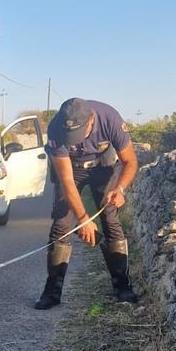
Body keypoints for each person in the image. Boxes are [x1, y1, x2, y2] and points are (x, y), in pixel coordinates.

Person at [34, 97, 140, 310]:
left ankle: (123, 287)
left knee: (109, 218)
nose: (73, 140)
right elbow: (66, 181)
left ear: (91, 121)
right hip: (72, 169)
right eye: (69, 136)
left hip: (103, 166)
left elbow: (130, 162)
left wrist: (120, 189)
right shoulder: (56, 128)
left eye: (77, 134)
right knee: (61, 225)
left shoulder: (110, 118)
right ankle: (52, 291)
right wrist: (82, 219)